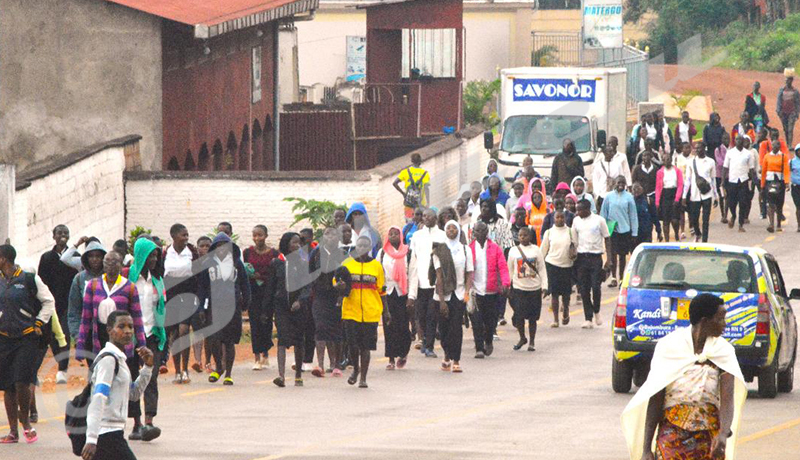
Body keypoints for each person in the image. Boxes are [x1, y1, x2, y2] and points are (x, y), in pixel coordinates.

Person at [622, 294, 746, 460]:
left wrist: (723, 434)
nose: (725, 324)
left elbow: (727, 397)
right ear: (705, 321)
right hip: (672, 435)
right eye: (720, 319)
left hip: (709, 438)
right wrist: (646, 449)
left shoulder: (723, 351)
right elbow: (656, 397)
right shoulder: (669, 347)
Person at [76, 251, 147, 441]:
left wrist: (141, 344)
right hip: (99, 337)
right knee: (98, 381)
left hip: (123, 340)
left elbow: (137, 319)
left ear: (120, 264)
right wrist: (81, 344)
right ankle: (94, 422)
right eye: (107, 262)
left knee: (126, 381)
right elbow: (86, 316)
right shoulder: (92, 285)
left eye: (115, 262)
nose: (110, 265)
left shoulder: (129, 287)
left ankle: (137, 422)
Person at [0, 244, 55, 444]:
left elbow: (49, 301)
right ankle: (13, 431)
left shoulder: (29, 279)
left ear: (4, 259)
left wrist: (39, 322)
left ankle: (26, 422)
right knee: (7, 385)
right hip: (4, 339)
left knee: (22, 381)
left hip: (27, 338)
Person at [82, 310, 155, 460]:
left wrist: (147, 368)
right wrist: (91, 438)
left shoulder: (120, 360)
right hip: (106, 434)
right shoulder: (109, 360)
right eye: (121, 327)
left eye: (130, 327)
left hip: (114, 432)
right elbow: (99, 397)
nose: (128, 331)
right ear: (109, 330)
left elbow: (133, 395)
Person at [126, 237, 166, 442]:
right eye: (151, 255)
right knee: (132, 378)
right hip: (130, 337)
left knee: (151, 377)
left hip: (152, 335)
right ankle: (136, 423)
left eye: (156, 255)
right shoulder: (128, 277)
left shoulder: (157, 279)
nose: (154, 259)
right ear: (141, 255)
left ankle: (149, 422)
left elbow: (161, 308)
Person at [336, 235, 390, 389]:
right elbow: (337, 282)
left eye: (365, 247)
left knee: (366, 347)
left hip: (370, 311)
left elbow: (382, 291)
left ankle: (363, 378)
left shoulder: (376, 266)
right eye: (359, 246)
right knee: (353, 345)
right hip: (350, 311)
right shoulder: (347, 264)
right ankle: (355, 370)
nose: (362, 250)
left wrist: (386, 312)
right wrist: (339, 286)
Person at [198, 233, 251, 386]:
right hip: (214, 307)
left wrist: (246, 302)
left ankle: (228, 373)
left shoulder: (236, 263)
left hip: (232, 306)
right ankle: (219, 367)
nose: (221, 249)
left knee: (229, 341)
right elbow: (202, 287)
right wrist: (201, 307)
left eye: (224, 246)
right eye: (218, 246)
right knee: (214, 339)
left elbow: (244, 284)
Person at [37, 224, 79, 384]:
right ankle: (50, 364)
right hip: (50, 303)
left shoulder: (74, 255)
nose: (63, 235)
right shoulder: (46, 257)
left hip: (68, 304)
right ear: (53, 236)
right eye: (59, 233)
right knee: (50, 337)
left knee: (65, 335)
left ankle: (62, 370)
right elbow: (41, 281)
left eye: (66, 233)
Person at [268, 233, 309, 388]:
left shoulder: (303, 263)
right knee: (282, 338)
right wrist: (267, 310)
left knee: (299, 339)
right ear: (286, 244)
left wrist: (300, 300)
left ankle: (298, 375)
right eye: (294, 243)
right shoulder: (276, 263)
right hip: (281, 307)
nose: (298, 246)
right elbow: (271, 287)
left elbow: (307, 286)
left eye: (299, 243)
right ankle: (281, 376)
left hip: (299, 307)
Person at [432, 221, 473, 372]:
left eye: (454, 227)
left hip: (459, 294)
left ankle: (456, 360)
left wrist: (467, 292)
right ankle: (446, 354)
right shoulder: (439, 250)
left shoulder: (465, 249)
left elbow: (469, 273)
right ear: (445, 230)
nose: (451, 230)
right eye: (448, 228)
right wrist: (442, 300)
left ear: (458, 230)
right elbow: (439, 276)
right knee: (443, 328)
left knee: (456, 328)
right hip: (443, 295)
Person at [162, 224, 201, 383]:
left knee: (184, 330)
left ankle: (185, 369)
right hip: (171, 295)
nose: (186, 238)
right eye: (182, 235)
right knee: (174, 334)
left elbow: (198, 275)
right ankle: (177, 370)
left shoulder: (192, 253)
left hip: (188, 294)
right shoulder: (165, 253)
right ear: (173, 236)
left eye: (187, 235)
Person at [309, 228, 348, 377]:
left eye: (333, 235)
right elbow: (309, 273)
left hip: (336, 297)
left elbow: (346, 276)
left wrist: (342, 293)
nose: (330, 237)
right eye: (327, 234)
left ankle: (335, 363)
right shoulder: (316, 253)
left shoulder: (343, 255)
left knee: (336, 330)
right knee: (320, 327)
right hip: (319, 296)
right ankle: (320, 364)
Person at [467, 222, 510, 359]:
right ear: (473, 232)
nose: (479, 233)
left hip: (492, 291)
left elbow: (502, 267)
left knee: (490, 320)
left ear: (486, 233)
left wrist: (505, 283)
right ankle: (479, 348)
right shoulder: (469, 249)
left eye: (482, 231)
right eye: (476, 231)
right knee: (476, 320)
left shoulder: (495, 248)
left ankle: (489, 340)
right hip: (475, 291)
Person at [407, 208, 446, 358]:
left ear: (436, 218)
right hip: (420, 282)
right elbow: (413, 261)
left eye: (430, 216)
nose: (427, 218)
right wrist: (411, 287)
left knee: (432, 315)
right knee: (420, 315)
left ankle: (429, 346)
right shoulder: (416, 236)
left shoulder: (442, 236)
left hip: (435, 283)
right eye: (424, 216)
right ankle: (423, 340)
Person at [243, 225, 280, 370]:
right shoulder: (247, 252)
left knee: (266, 322)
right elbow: (244, 269)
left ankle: (265, 353)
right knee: (254, 323)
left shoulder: (274, 253)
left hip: (268, 291)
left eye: (260, 235)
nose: (257, 238)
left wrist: (263, 277)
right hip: (253, 291)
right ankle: (256, 357)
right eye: (255, 235)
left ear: (266, 236)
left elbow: (276, 272)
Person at [572, 200, 612, 329]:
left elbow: (607, 238)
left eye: (580, 210)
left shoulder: (599, 220)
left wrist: (609, 259)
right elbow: (574, 240)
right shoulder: (576, 221)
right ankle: (588, 318)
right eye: (577, 210)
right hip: (582, 257)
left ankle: (597, 310)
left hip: (595, 257)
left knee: (596, 286)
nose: (578, 212)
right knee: (583, 289)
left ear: (588, 209)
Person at [506, 226, 546, 351]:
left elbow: (541, 268)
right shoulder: (513, 251)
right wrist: (508, 285)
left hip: (534, 288)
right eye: (520, 235)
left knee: (533, 318)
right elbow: (510, 270)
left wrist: (545, 286)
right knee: (519, 316)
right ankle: (522, 337)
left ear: (530, 237)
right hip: (519, 288)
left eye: (525, 235)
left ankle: (532, 342)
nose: (523, 237)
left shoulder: (536, 250)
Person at [378, 227, 411, 371]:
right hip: (388, 293)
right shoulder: (382, 253)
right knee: (388, 325)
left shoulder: (408, 252)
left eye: (396, 233)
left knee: (403, 325)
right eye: (390, 234)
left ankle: (403, 353)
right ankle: (391, 357)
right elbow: (379, 273)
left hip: (403, 293)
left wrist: (412, 296)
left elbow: (413, 273)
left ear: (401, 235)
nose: (393, 236)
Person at [601, 176, 638, 288]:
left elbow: (633, 215)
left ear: (626, 184)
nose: (620, 184)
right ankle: (613, 278)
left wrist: (634, 232)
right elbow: (603, 214)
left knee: (622, 255)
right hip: (612, 230)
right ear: (614, 184)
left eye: (623, 182)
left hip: (625, 230)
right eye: (618, 182)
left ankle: (622, 278)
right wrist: (603, 230)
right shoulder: (608, 197)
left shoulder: (629, 197)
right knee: (612, 255)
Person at [68, 240, 107, 346]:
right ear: (86, 258)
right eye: (91, 256)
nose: (95, 259)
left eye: (98, 256)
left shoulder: (110, 277)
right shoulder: (79, 279)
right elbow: (74, 309)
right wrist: (76, 335)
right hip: (88, 330)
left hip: (108, 330)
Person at [540, 211, 574, 328]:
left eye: (562, 217)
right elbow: (543, 251)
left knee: (566, 294)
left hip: (567, 266)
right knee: (554, 294)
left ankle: (565, 310)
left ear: (565, 218)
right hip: (552, 264)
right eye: (557, 217)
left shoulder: (570, 231)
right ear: (553, 219)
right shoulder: (549, 233)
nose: (560, 219)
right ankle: (555, 319)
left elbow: (576, 246)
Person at [683, 141, 718, 243]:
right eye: (696, 148)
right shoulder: (691, 162)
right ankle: (698, 233)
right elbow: (688, 180)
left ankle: (704, 240)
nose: (697, 150)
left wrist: (716, 196)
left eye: (699, 148)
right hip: (695, 194)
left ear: (704, 149)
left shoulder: (710, 162)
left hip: (707, 194)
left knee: (705, 219)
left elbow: (713, 180)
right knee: (694, 217)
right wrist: (684, 196)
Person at [723, 135, 757, 232]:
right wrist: (722, 181)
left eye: (740, 140)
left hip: (743, 180)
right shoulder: (730, 153)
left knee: (743, 202)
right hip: (732, 180)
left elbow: (751, 169)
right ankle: (733, 215)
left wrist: (752, 181)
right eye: (737, 140)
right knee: (731, 203)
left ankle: (740, 224)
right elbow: (725, 167)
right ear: (734, 141)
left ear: (743, 142)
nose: (738, 141)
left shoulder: (748, 154)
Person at [761, 137, 791, 233]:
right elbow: (764, 171)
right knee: (770, 203)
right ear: (771, 146)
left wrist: (786, 183)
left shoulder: (783, 157)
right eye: (773, 145)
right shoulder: (767, 156)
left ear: (780, 146)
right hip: (769, 181)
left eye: (777, 145)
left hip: (780, 182)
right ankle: (771, 224)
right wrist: (762, 184)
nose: (775, 146)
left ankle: (778, 224)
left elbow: (786, 170)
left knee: (779, 204)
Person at [632, 149, 662, 242]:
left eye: (647, 155)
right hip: (635, 232)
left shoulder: (656, 169)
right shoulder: (637, 169)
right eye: (643, 156)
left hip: (651, 195)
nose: (645, 158)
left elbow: (654, 216)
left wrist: (658, 230)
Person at [594, 140, 632, 211]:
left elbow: (622, 177)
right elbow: (596, 180)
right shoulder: (598, 165)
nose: (612, 153)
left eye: (612, 151)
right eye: (610, 152)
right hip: (602, 195)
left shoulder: (617, 164)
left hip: (615, 195)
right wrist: (598, 194)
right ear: (605, 153)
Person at [655, 152, 684, 242]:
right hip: (665, 195)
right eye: (664, 160)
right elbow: (658, 187)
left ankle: (676, 233)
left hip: (674, 194)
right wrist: (657, 201)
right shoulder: (660, 172)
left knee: (675, 219)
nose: (666, 161)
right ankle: (666, 240)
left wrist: (677, 198)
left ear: (671, 160)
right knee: (665, 220)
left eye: (668, 159)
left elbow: (680, 185)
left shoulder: (677, 171)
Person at [394, 153, 430, 220]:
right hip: (421, 204)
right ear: (420, 161)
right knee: (421, 223)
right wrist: (428, 202)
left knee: (409, 223)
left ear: (411, 161)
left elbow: (395, 183)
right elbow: (426, 189)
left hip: (408, 203)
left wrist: (403, 194)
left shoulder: (405, 172)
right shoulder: (425, 173)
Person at [674, 142, 695, 239]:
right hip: (681, 186)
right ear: (682, 149)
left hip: (691, 186)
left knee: (691, 208)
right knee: (681, 210)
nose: (687, 150)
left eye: (688, 148)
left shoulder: (693, 158)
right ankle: (682, 230)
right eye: (685, 148)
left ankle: (691, 226)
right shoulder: (677, 158)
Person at [777, 70, 800, 146]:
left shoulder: (795, 91)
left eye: (788, 80)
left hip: (792, 112)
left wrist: (797, 113)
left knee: (790, 129)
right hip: (783, 112)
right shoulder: (782, 90)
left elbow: (797, 103)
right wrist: (778, 111)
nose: (787, 82)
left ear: (791, 80)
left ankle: (789, 144)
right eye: (786, 80)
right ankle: (788, 143)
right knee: (786, 129)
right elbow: (779, 101)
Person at [714, 132, 730, 224]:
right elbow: (720, 163)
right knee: (721, 195)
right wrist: (728, 163)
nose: (726, 140)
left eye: (728, 138)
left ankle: (725, 215)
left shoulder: (731, 149)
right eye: (724, 139)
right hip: (719, 176)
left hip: (729, 176)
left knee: (727, 196)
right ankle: (722, 213)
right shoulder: (718, 150)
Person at [791, 144, 800, 232]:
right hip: (796, 187)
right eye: (798, 151)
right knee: (798, 206)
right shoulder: (792, 162)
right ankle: (799, 224)